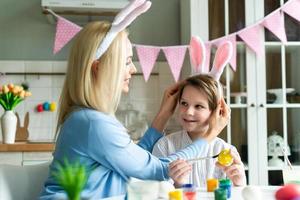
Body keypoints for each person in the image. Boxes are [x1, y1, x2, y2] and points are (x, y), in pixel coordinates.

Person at [39, 1, 230, 199]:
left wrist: (163, 115)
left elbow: (136, 160)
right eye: (127, 61)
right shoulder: (93, 123)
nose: (134, 69)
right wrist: (210, 135)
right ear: (98, 68)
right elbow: (157, 168)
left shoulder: (86, 118)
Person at [152, 74, 247, 187]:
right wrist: (177, 185)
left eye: (198, 106)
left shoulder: (226, 150)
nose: (188, 112)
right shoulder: (164, 146)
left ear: (217, 111)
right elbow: (155, 193)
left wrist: (239, 183)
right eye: (184, 103)